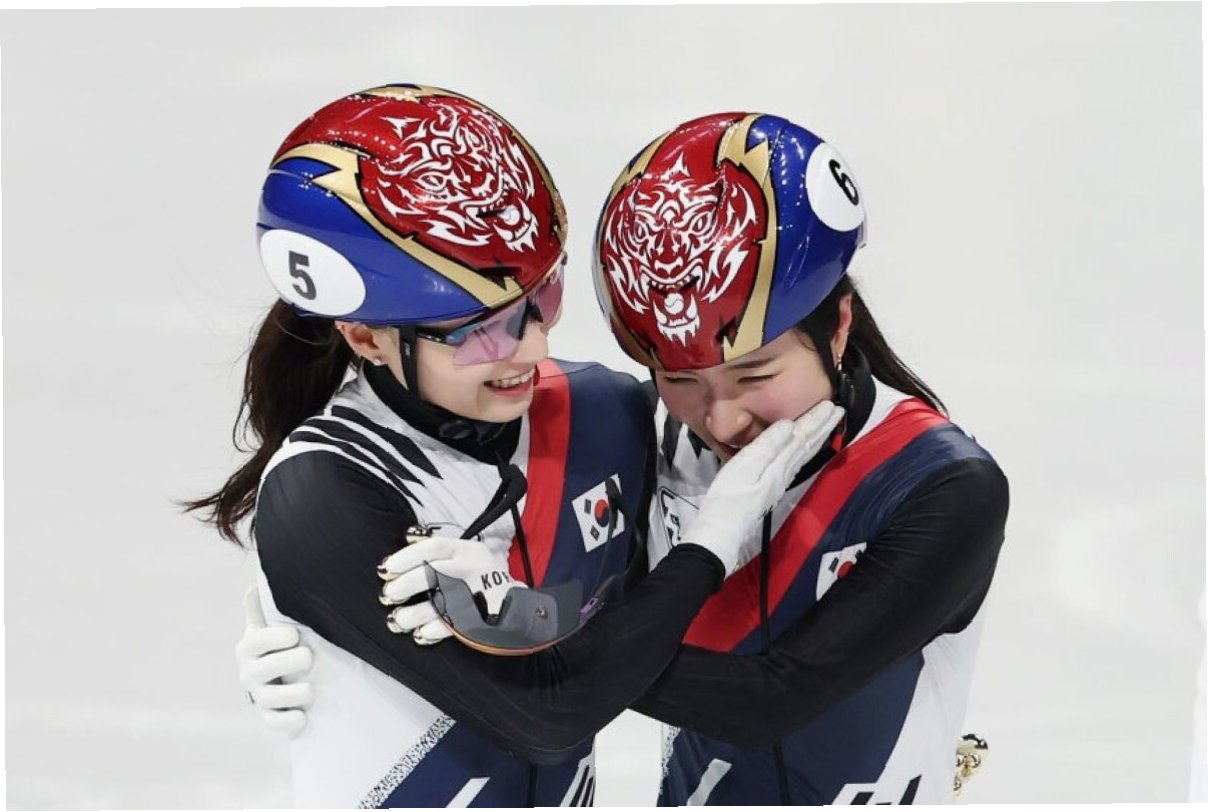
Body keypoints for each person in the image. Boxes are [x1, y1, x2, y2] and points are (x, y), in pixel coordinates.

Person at [236, 109, 1009, 805]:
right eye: (681, 378)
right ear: (363, 335)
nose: (723, 418)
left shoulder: (942, 486)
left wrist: (519, 629)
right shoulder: (637, 434)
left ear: (838, 326)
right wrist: (353, 632)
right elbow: (579, 652)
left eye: (540, 303)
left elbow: (764, 696)